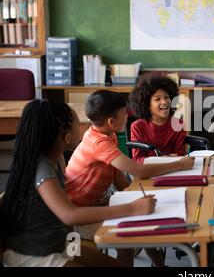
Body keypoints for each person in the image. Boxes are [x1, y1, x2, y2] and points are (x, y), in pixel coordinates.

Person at [0, 99, 156, 267]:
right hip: (35, 256)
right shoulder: (43, 169)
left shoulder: (55, 160)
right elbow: (69, 215)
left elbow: (64, 220)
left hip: (59, 244)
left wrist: (73, 250)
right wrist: (132, 208)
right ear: (66, 137)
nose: (83, 129)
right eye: (77, 124)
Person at [65, 90, 194, 266]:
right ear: (111, 121)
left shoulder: (107, 134)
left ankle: (160, 264)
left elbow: (117, 172)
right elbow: (138, 171)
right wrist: (179, 164)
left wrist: (130, 195)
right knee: (127, 237)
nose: (127, 117)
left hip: (98, 201)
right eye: (124, 114)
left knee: (140, 221)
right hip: (82, 212)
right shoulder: (99, 142)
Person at [129, 75, 186, 163]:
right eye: (157, 99)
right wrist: (162, 159)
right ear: (146, 104)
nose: (164, 102)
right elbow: (137, 159)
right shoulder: (137, 126)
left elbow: (181, 154)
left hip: (173, 168)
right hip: (149, 171)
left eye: (167, 97)